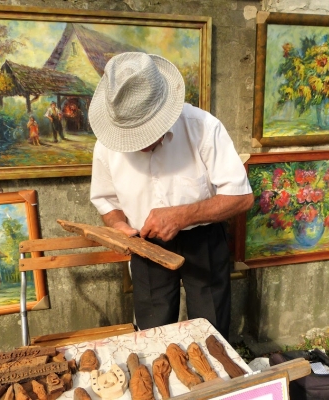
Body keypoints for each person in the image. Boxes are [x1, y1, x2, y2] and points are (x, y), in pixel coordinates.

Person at [89, 52, 253, 339]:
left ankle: (213, 381)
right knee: (152, 332)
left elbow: (241, 197)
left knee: (212, 330)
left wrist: (181, 215)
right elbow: (106, 200)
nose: (138, 145)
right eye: (131, 136)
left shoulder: (203, 126)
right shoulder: (106, 145)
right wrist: (118, 226)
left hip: (203, 239)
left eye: (145, 133)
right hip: (145, 243)